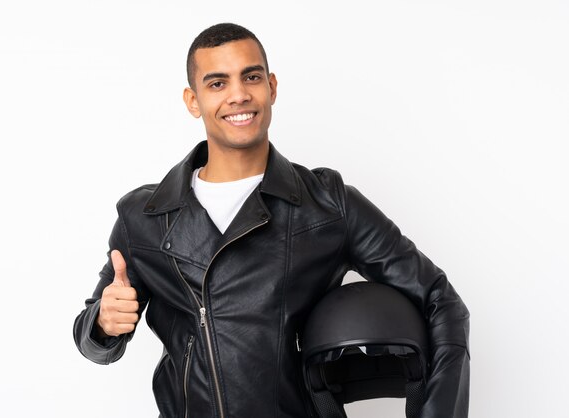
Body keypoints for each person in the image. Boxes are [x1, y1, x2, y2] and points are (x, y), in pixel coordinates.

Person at [73, 23, 470, 418]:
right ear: (192, 101)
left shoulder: (328, 204)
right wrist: (103, 324)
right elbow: (91, 341)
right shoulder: (142, 217)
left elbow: (442, 301)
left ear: (272, 86)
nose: (239, 94)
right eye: (217, 83)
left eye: (251, 76)